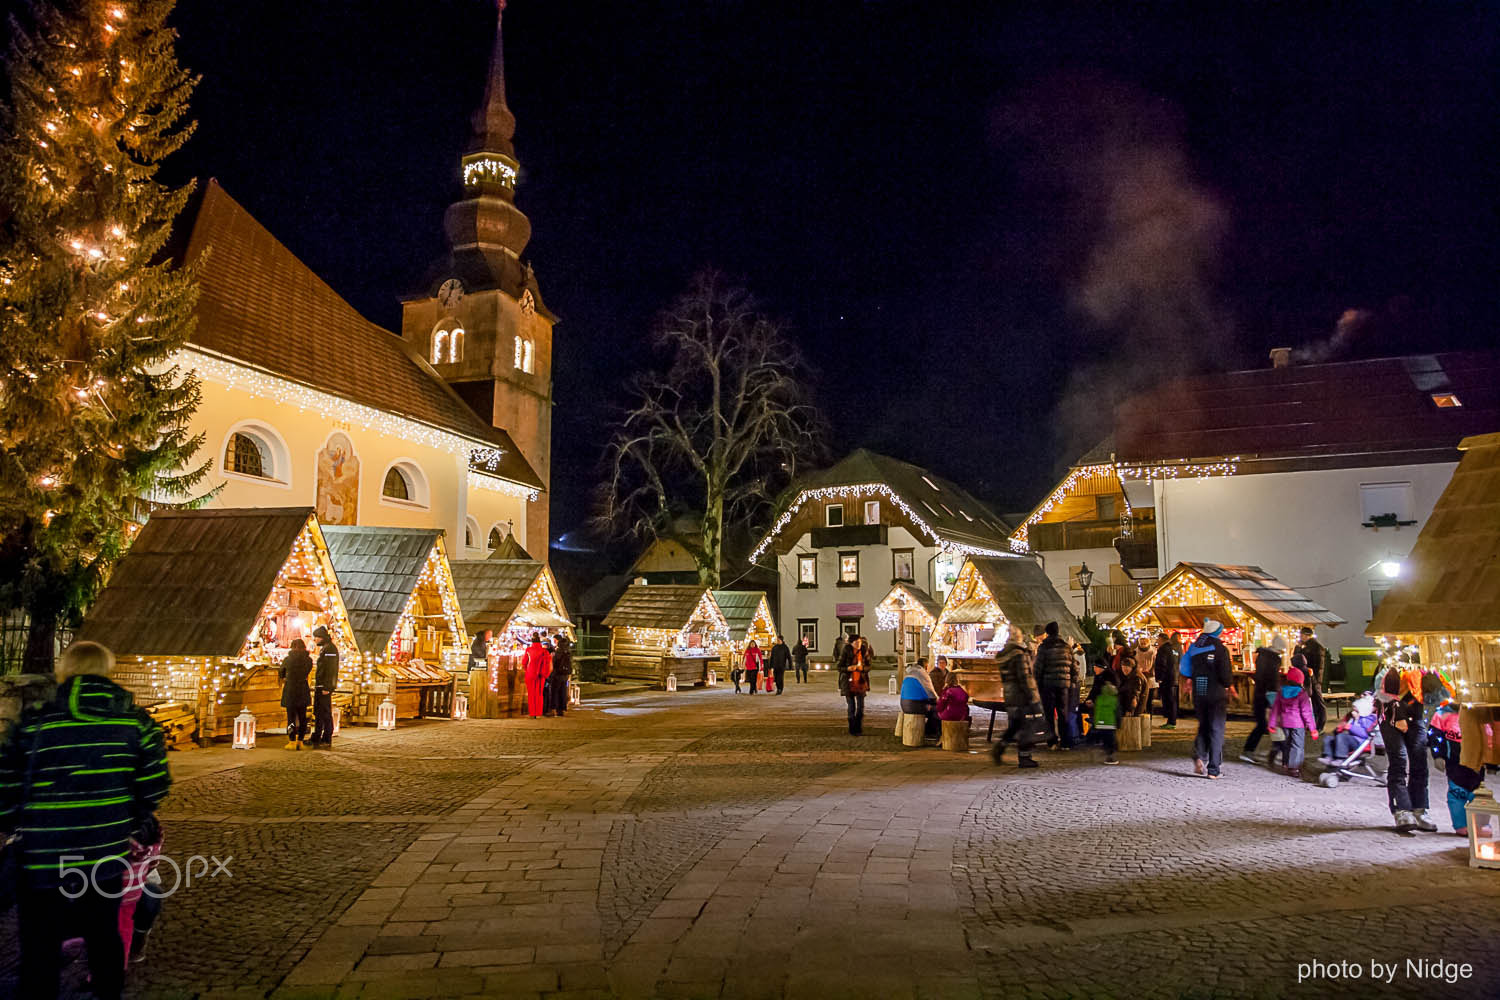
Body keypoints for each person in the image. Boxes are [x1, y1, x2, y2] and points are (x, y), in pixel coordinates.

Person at [0, 641, 171, 1000]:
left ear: (66, 670)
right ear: (105, 671)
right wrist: (128, 818)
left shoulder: (36, 719)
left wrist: (17, 822)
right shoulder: (134, 720)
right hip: (103, 852)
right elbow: (155, 781)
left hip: (42, 854)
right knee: (104, 934)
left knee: (40, 946)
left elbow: (6, 783)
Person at [1377, 668, 1436, 833]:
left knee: (1420, 761)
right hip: (1391, 717)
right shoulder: (1390, 669)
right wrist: (1398, 716)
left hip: (1416, 717)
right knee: (1399, 761)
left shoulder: (1427, 667)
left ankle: (1419, 809)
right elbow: (1383, 694)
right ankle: (1401, 809)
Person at [1182, 619, 1234, 778]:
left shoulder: (1194, 646)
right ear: (1218, 632)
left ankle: (1199, 755)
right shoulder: (1220, 648)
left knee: (1203, 725)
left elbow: (1184, 667)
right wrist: (1228, 685)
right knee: (1216, 728)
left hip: (1199, 691)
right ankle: (1213, 769)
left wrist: (1191, 678)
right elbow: (1225, 676)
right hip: (1216, 693)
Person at [993, 625, 1042, 768]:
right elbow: (1024, 677)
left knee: (1015, 726)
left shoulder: (1004, 656)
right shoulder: (1019, 655)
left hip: (1010, 694)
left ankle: (1000, 747)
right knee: (1025, 727)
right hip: (1021, 696)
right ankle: (1024, 757)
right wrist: (1032, 696)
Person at [1265, 662, 1319, 776]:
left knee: (1288, 744)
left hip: (1285, 723)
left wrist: (1272, 724)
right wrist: (1313, 728)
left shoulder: (1281, 692)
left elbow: (1275, 709)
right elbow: (1306, 712)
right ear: (1300, 680)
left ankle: (1288, 764)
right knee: (1297, 745)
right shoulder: (1302, 694)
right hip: (1298, 724)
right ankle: (1294, 767)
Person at [1239, 635, 1286, 763]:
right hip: (1268, 695)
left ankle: (1275, 750)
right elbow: (1272, 679)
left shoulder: (1262, 656)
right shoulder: (1274, 659)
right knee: (1269, 724)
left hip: (1260, 694)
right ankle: (1279, 750)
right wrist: (1274, 693)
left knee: (1264, 724)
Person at [1035, 622, 1076, 750]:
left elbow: (1038, 668)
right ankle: (1065, 742)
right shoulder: (1066, 647)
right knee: (1063, 713)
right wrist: (1072, 682)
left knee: (1049, 715)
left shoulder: (1044, 647)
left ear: (1047, 633)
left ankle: (1052, 741)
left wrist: (1037, 684)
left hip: (1048, 685)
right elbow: (1074, 667)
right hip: (1064, 685)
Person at [1083, 656, 1122, 764]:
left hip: (1104, 717)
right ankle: (1104, 752)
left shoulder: (1108, 679)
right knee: (1106, 736)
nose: (1094, 669)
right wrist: (1089, 700)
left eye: (1095, 667)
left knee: (1106, 737)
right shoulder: (1099, 677)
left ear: (1101, 667)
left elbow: (1116, 710)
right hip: (1103, 718)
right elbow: (1094, 691)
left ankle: (1107, 753)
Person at [278, 638, 313, 750]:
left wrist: (285, 677)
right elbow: (308, 671)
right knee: (302, 717)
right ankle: (300, 741)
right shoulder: (308, 660)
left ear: (292, 647)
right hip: (302, 688)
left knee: (291, 717)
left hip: (290, 689)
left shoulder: (288, 660)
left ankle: (292, 741)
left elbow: (281, 672)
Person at [1324, 692, 1379, 762]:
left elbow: (1365, 734)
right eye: (1353, 710)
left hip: (1359, 742)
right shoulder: (1351, 718)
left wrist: (1350, 727)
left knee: (1342, 737)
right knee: (1329, 738)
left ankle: (1340, 759)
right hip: (1348, 740)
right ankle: (1328, 757)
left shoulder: (1367, 720)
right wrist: (1338, 729)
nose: (1353, 712)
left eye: (1356, 711)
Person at [310, 625, 339, 748]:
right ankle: (318, 736)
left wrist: (327, 686)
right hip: (321, 685)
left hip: (324, 686)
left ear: (321, 637)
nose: (314, 640)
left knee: (324, 712)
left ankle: (326, 736)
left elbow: (331, 669)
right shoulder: (326, 648)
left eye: (316, 637)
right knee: (320, 712)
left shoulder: (330, 650)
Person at [1295, 626, 1329, 731]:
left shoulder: (1313, 648)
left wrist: (1314, 678)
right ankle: (1316, 725)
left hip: (1312, 679)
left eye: (1302, 635)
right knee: (1314, 702)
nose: (1300, 637)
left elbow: (1299, 660)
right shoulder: (1310, 647)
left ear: (1306, 635)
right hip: (1311, 678)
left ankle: (1320, 725)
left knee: (1317, 702)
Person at [837, 634, 871, 735]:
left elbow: (869, 665)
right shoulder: (846, 651)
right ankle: (852, 729)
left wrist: (863, 669)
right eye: (856, 642)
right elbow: (839, 667)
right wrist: (848, 668)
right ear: (851, 643)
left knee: (860, 707)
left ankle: (858, 727)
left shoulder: (864, 651)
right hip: (849, 683)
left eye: (860, 642)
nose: (859, 644)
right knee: (851, 707)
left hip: (861, 682)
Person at [899, 657, 940, 740]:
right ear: (926, 666)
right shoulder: (922, 674)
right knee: (937, 709)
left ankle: (928, 729)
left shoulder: (909, 672)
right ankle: (929, 731)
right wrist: (938, 700)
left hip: (904, 704)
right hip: (916, 706)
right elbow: (930, 692)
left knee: (932, 707)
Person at [1153, 632, 1181, 728]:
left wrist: (1160, 677)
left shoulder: (1163, 650)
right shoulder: (1173, 649)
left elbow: (1162, 664)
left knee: (1169, 700)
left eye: (1158, 639)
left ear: (1161, 640)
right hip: (1174, 677)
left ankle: (1171, 722)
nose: (1157, 641)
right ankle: (1172, 720)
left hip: (1167, 679)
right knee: (1172, 700)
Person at [522, 633, 550, 718]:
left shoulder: (528, 650)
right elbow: (547, 663)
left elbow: (524, 662)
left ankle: (532, 713)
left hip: (530, 673)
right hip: (541, 674)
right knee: (539, 693)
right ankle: (538, 712)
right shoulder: (544, 651)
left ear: (532, 642)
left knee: (531, 693)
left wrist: (527, 670)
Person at [547, 634, 573, 717]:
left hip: (558, 673)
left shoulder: (559, 649)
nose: (553, 642)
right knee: (562, 691)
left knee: (555, 691)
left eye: (554, 640)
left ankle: (554, 709)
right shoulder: (566, 648)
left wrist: (552, 657)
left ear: (557, 640)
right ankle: (561, 710)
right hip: (565, 674)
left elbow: (555, 661)